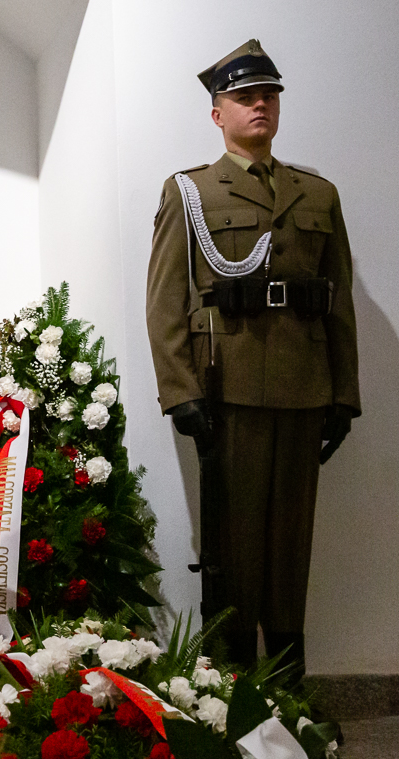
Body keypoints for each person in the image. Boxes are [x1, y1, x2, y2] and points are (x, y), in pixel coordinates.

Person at [146, 40, 359, 675]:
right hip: (228, 388)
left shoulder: (317, 194)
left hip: (304, 386)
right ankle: (234, 689)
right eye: (244, 97)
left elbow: (338, 299)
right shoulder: (190, 191)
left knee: (292, 546)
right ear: (218, 114)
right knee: (234, 546)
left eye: (269, 95)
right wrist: (181, 392)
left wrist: (344, 394)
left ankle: (290, 686)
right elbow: (164, 299)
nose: (260, 104)